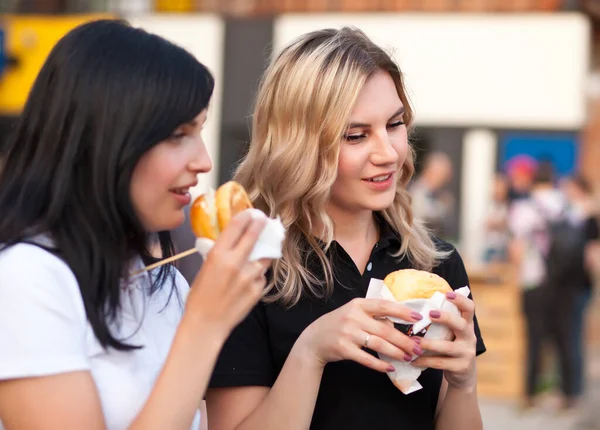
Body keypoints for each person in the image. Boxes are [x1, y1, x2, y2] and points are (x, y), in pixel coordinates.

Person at [205, 27, 486, 430]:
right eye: (356, 135)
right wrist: (311, 351)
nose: (388, 153)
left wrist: (464, 384)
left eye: (395, 124)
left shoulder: (435, 263)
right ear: (296, 143)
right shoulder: (249, 268)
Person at [0, 19, 271, 430]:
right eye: (179, 134)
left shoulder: (161, 284)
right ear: (105, 139)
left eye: (199, 132)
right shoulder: (27, 278)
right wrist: (205, 326)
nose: (204, 162)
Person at [508, 161, 577, 410]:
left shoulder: (524, 207)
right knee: (565, 338)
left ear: (533, 180)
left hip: (534, 279)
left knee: (534, 338)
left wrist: (516, 276)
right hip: (565, 282)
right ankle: (569, 395)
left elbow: (517, 248)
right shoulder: (568, 205)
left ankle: (530, 395)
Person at [561, 174, 600, 398]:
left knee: (573, 336)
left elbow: (593, 253)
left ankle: (574, 390)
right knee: (568, 336)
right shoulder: (572, 214)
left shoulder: (588, 216)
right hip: (569, 284)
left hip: (578, 285)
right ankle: (570, 388)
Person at [409, 151, 455, 239]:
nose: (448, 178)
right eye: (443, 174)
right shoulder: (418, 192)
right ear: (430, 171)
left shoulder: (437, 193)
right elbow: (425, 215)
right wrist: (443, 206)